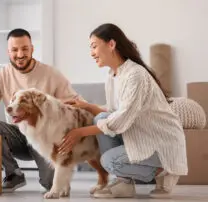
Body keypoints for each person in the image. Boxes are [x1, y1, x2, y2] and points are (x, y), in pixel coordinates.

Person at [58, 23, 188, 198]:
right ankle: (124, 183)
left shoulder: (136, 75)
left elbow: (120, 120)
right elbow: (113, 112)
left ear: (111, 44)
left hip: (160, 144)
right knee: (101, 118)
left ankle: (161, 170)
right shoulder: (113, 75)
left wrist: (79, 132)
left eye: (94, 46)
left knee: (108, 161)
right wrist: (86, 106)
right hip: (142, 138)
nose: (92, 53)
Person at [0, 28, 81, 192]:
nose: (20, 54)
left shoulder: (51, 74)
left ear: (32, 49)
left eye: (25, 49)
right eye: (14, 50)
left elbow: (76, 103)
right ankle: (13, 173)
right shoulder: (1, 75)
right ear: (8, 52)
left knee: (53, 185)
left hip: (45, 138)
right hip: (18, 135)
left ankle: (56, 178)